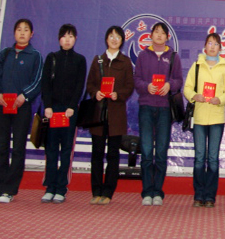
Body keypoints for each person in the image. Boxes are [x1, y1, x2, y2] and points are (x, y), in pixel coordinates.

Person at [0, 18, 43, 203]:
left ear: (31, 34)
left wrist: (24, 96)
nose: (22, 32)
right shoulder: (5, 53)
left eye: (26, 30)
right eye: (19, 29)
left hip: (22, 107)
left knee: (18, 148)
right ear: (14, 33)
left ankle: (10, 190)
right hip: (2, 106)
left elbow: (37, 80)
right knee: (1, 147)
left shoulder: (35, 56)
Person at [134, 22, 183, 206]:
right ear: (151, 35)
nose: (159, 35)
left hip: (164, 108)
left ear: (167, 37)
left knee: (161, 152)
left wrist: (170, 85)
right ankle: (147, 192)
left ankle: (158, 193)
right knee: (147, 151)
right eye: (156, 32)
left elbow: (179, 80)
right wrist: (146, 86)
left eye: (163, 33)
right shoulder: (142, 55)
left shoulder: (174, 56)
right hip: (146, 106)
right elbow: (136, 80)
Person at [184, 33, 225, 208]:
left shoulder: (224, 67)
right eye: (209, 43)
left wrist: (220, 99)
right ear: (205, 46)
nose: (212, 47)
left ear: (220, 47)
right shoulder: (197, 65)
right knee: (199, 157)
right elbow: (187, 88)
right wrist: (194, 96)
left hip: (216, 117)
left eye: (215, 44)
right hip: (199, 117)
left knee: (213, 158)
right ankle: (198, 195)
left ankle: (210, 196)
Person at [86, 25, 134, 205]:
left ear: (122, 41)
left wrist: (118, 95)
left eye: (118, 37)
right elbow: (90, 84)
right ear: (106, 39)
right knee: (97, 153)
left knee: (113, 154)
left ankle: (108, 192)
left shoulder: (126, 62)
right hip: (98, 114)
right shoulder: (98, 60)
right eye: (111, 36)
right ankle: (96, 190)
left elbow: (129, 86)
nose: (114, 39)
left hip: (116, 113)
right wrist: (95, 93)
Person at [40, 24, 87, 204]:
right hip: (52, 111)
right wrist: (48, 106)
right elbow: (45, 84)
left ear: (76, 39)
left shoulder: (80, 60)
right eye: (64, 36)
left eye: (71, 36)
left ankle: (61, 188)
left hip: (69, 112)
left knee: (66, 150)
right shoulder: (51, 58)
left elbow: (80, 85)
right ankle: (50, 187)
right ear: (59, 39)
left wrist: (72, 106)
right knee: (51, 149)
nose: (67, 40)